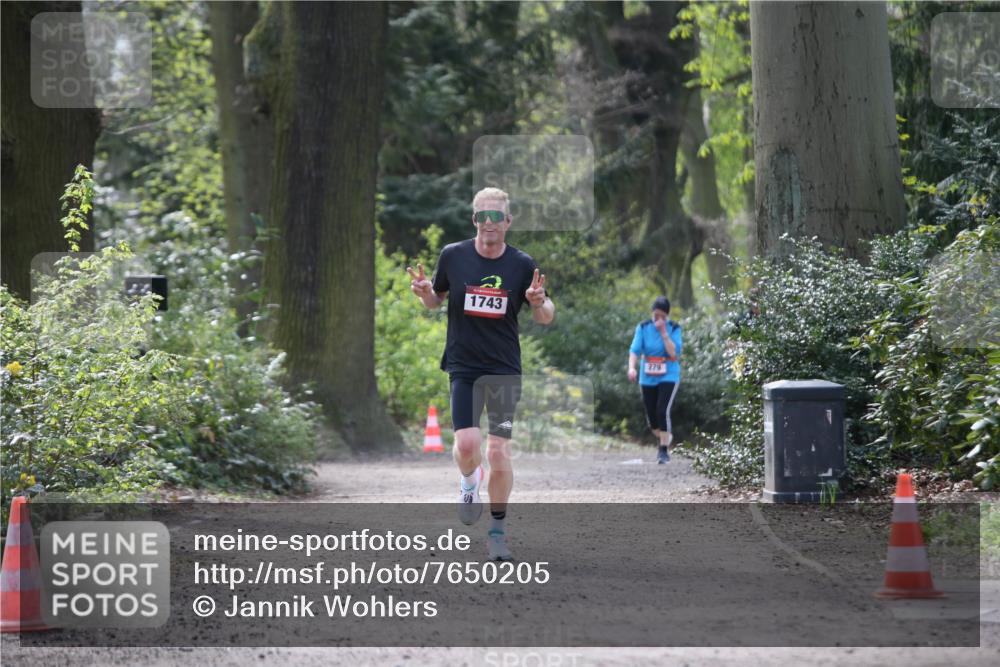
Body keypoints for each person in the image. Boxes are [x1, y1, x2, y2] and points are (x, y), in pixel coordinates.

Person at [407, 187, 555, 561]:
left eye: (497, 217)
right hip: (464, 365)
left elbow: (545, 314)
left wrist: (540, 302)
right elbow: (435, 300)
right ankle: (470, 481)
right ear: (475, 220)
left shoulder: (521, 265)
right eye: (482, 217)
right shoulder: (454, 256)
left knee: (499, 449)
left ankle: (497, 532)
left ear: (508, 221)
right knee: (469, 446)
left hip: (504, 369)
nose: (489, 223)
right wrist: (424, 292)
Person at [627, 296, 682, 464]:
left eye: (662, 316)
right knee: (652, 418)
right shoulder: (643, 327)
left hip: (669, 374)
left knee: (662, 410)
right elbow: (635, 350)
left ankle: (663, 450)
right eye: (656, 315)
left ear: (667, 316)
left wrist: (664, 333)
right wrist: (631, 367)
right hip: (647, 375)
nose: (658, 319)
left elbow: (674, 353)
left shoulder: (674, 328)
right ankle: (665, 436)